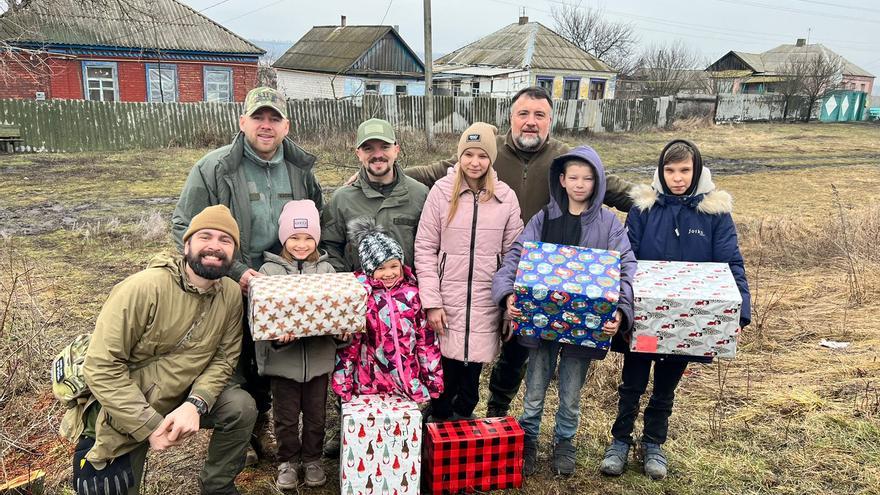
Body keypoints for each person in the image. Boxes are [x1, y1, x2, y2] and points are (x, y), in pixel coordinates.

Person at [405, 86, 634, 418]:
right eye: (523, 114)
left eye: (539, 115)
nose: (530, 122)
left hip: (535, 273)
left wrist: (653, 200)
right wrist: (394, 175)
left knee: (515, 354)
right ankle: (442, 415)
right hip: (486, 274)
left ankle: (498, 406)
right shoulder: (488, 151)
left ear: (550, 120)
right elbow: (438, 170)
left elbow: (606, 183)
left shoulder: (562, 157)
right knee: (456, 358)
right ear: (511, 118)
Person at [172, 86, 324, 461]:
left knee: (280, 357)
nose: (266, 125)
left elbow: (320, 221)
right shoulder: (215, 167)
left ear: (286, 126)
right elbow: (183, 226)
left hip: (286, 283)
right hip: (231, 282)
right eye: (258, 117)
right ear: (243, 122)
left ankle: (269, 425)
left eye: (274, 118)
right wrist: (237, 272)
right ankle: (242, 435)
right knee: (235, 359)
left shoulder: (300, 169)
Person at [62, 205, 256, 495]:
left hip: (183, 397)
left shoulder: (229, 294)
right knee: (106, 486)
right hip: (125, 408)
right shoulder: (143, 288)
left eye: (225, 241)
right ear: (186, 243)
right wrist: (150, 426)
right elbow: (101, 367)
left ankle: (217, 486)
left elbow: (224, 359)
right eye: (205, 236)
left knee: (240, 407)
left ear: (234, 252)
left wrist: (196, 404)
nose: (215, 246)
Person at [599, 140, 751, 480]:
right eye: (670, 171)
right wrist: (621, 307)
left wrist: (739, 311)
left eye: (684, 171)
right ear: (660, 172)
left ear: (696, 171)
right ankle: (619, 441)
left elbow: (730, 262)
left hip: (689, 321)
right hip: (643, 318)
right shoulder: (644, 209)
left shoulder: (714, 213)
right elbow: (627, 258)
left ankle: (654, 443)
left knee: (666, 386)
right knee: (632, 382)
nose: (677, 178)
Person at [492, 146, 636, 477]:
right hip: (541, 327)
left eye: (588, 178)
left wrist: (621, 311)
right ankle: (528, 441)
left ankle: (564, 442)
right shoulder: (544, 219)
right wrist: (506, 294)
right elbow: (517, 255)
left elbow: (626, 268)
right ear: (562, 179)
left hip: (584, 332)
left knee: (571, 393)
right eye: (574, 177)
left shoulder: (609, 225)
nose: (580, 184)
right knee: (535, 388)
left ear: (597, 181)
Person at [414, 122, 523, 421]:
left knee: (472, 375)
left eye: (482, 156)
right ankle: (437, 424)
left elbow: (515, 254)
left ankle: (463, 425)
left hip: (486, 300)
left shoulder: (505, 198)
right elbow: (424, 247)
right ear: (459, 156)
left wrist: (506, 305)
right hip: (447, 299)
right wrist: (432, 302)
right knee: (444, 373)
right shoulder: (441, 192)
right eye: (468, 155)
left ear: (492, 159)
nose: (475, 162)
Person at [254, 200, 337, 489]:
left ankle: (312, 459)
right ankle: (287, 461)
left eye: (307, 237)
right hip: (283, 363)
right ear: (283, 238)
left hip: (317, 361)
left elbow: (335, 311)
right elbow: (260, 316)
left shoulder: (327, 271)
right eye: (294, 237)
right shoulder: (267, 272)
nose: (301, 244)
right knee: (286, 417)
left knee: (316, 415)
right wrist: (277, 337)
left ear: (316, 237)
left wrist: (340, 332)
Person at [331, 217, 444, 404]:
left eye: (394, 266)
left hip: (408, 379)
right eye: (381, 268)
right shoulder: (362, 299)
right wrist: (343, 382)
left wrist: (433, 380)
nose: (389, 273)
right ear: (368, 270)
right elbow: (350, 347)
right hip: (369, 382)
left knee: (404, 426)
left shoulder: (412, 296)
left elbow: (426, 341)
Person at [320, 118, 429, 273]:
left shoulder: (420, 194)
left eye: (385, 147)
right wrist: (348, 283)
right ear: (358, 153)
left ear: (396, 150)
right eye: (368, 149)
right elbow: (329, 247)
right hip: (360, 292)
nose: (378, 155)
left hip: (409, 293)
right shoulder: (342, 199)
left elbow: (430, 248)